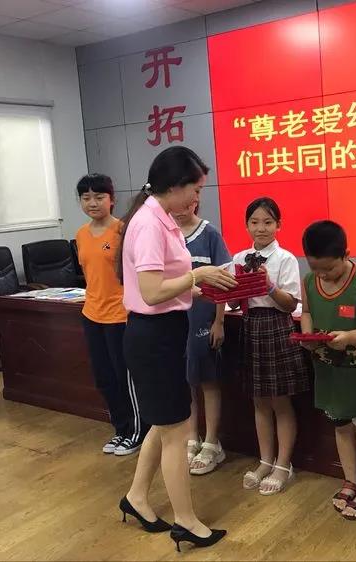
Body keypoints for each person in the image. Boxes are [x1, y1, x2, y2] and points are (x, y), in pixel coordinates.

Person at [116, 146, 236, 552]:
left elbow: (165, 286)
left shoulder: (160, 218)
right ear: (175, 185)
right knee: (177, 431)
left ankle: (136, 497)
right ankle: (186, 521)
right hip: (152, 336)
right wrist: (197, 276)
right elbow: (151, 293)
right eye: (195, 189)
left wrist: (199, 288)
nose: (197, 198)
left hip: (164, 330)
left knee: (164, 423)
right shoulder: (149, 224)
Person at [300, 220, 356, 520]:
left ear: (346, 255)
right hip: (329, 370)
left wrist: (350, 337)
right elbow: (307, 312)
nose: (322, 275)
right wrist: (307, 335)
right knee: (341, 426)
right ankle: (350, 480)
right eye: (315, 268)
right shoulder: (309, 281)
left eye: (329, 269)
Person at [233, 197, 309, 495]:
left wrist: (268, 286)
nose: (261, 228)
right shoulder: (239, 258)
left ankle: (283, 464)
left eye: (267, 222)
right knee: (259, 400)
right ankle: (265, 461)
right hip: (250, 325)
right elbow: (234, 301)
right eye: (254, 222)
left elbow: (290, 304)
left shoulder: (285, 259)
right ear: (246, 225)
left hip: (277, 325)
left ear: (279, 225)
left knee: (280, 401)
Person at [75, 173, 145, 456]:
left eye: (99, 197)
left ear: (112, 199)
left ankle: (138, 431)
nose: (92, 203)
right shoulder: (81, 234)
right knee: (104, 378)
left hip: (120, 315)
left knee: (125, 378)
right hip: (92, 314)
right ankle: (121, 429)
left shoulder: (123, 231)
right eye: (86, 198)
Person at [171, 202, 231, 475]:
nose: (179, 209)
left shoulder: (210, 234)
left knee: (208, 381)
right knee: (186, 381)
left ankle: (212, 443)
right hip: (176, 320)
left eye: (186, 203)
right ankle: (192, 437)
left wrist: (219, 321)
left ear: (195, 200)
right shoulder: (168, 234)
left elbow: (224, 281)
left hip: (204, 319)